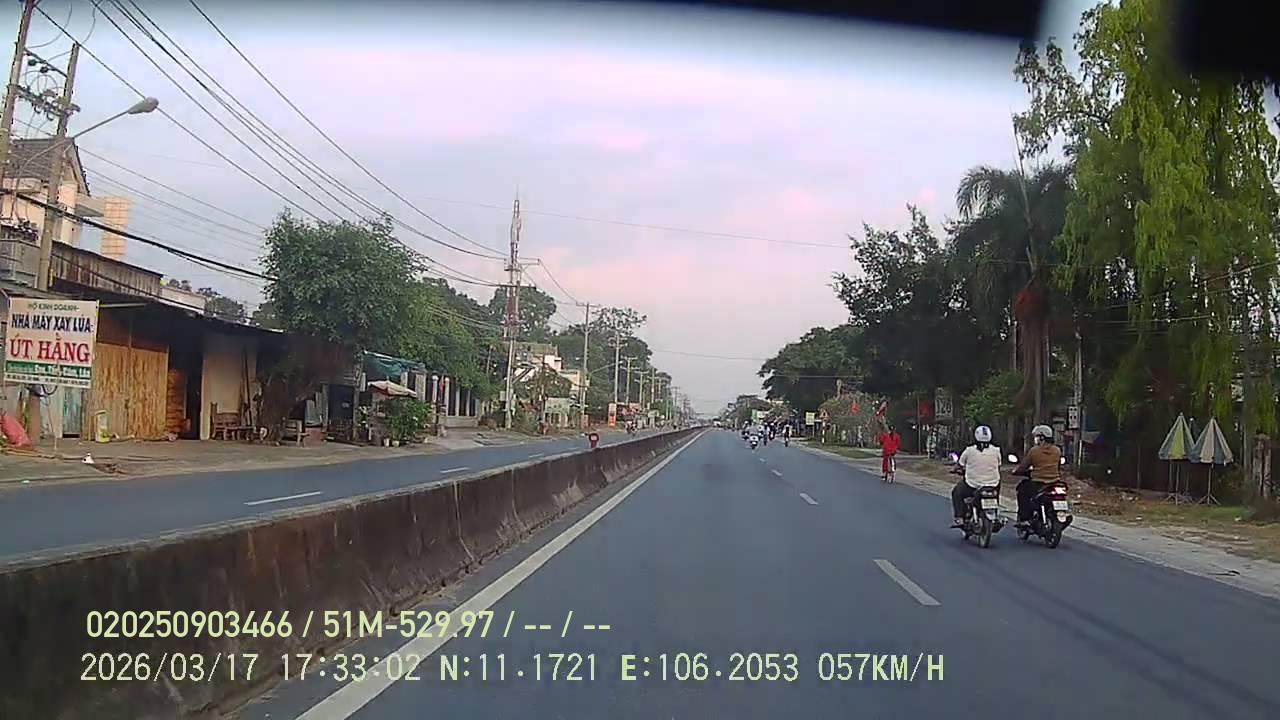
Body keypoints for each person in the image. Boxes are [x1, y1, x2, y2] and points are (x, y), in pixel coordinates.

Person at [951, 425, 1002, 527]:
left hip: (973, 484)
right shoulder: (996, 450)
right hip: (993, 484)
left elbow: (960, 465)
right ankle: (995, 513)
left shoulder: (969, 450)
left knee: (956, 493)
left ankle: (959, 517)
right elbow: (998, 464)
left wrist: (954, 469)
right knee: (996, 493)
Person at [1013, 424, 1062, 527]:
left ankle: (1024, 518)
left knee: (1022, 491)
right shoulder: (1057, 450)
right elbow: (1058, 466)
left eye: (1037, 437)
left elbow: (1024, 466)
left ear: (1041, 438)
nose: (1035, 439)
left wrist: (1016, 471)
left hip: (1038, 482)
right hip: (1055, 482)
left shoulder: (1034, 451)